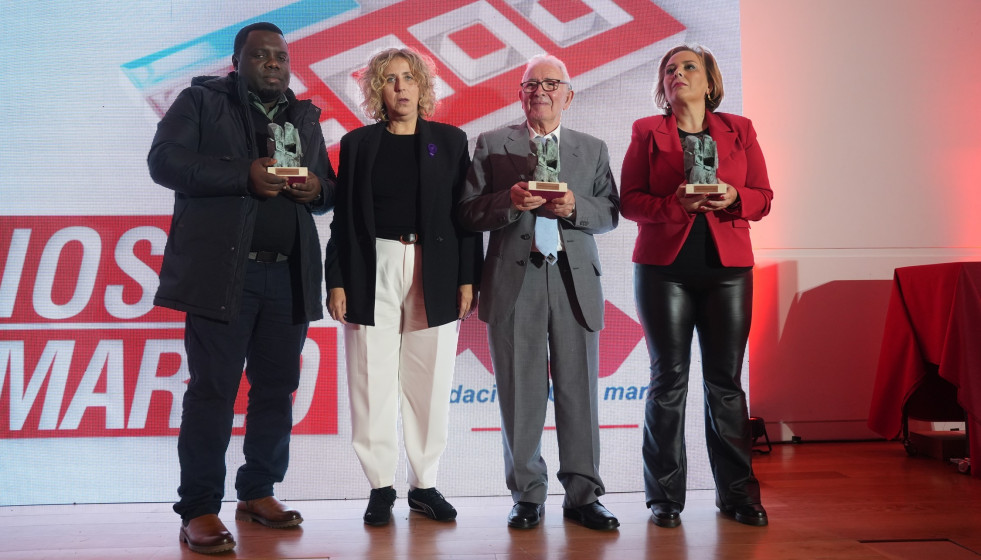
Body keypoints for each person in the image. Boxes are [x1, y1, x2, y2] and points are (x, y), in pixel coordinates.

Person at [147, 22, 336, 554]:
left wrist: (317, 187)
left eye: (280, 55)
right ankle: (200, 508)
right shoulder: (201, 101)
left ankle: (258, 490)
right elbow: (164, 162)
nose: (273, 63)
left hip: (290, 274)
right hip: (223, 275)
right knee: (213, 393)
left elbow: (325, 193)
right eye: (261, 55)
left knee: (277, 390)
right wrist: (243, 175)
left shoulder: (305, 115)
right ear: (238, 61)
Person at [458, 54, 620, 531]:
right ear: (521, 93)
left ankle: (583, 495)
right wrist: (507, 204)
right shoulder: (491, 144)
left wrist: (575, 206)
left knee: (579, 391)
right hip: (515, 279)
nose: (541, 91)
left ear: (569, 95)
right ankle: (527, 494)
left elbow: (610, 212)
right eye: (531, 84)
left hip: (574, 279)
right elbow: (466, 212)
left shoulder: (591, 148)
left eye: (552, 84)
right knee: (519, 391)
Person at [324, 47, 483, 526]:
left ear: (422, 86)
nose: (400, 87)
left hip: (434, 266)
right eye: (390, 79)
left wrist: (467, 276)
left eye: (408, 78)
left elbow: (465, 217)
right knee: (370, 381)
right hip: (372, 265)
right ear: (377, 90)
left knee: (430, 380)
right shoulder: (356, 144)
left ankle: (425, 483)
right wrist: (336, 281)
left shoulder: (452, 142)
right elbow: (343, 220)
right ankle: (380, 487)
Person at [620, 44, 773, 528]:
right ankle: (664, 498)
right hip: (664, 269)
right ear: (662, 85)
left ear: (710, 82)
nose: (677, 74)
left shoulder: (740, 130)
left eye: (688, 67)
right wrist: (676, 205)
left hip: (728, 270)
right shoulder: (647, 131)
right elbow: (629, 201)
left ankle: (738, 495)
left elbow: (763, 197)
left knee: (726, 384)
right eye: (670, 69)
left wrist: (733, 196)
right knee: (668, 382)